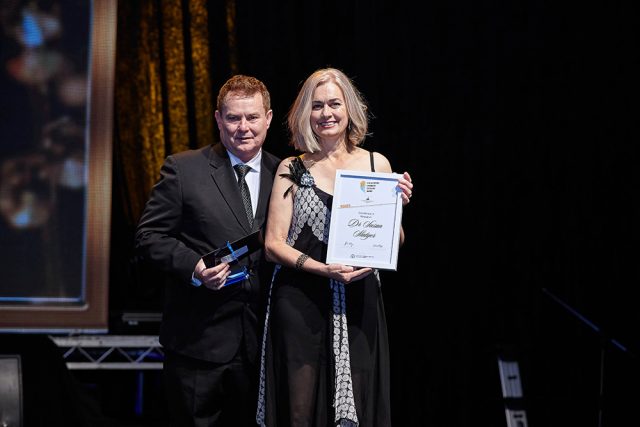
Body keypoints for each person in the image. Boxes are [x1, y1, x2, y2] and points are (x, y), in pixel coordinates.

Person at [255, 68, 413, 427]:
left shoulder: (376, 163)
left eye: (334, 104)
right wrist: (322, 269)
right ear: (304, 113)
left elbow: (395, 242)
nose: (326, 113)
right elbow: (273, 245)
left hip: (359, 301)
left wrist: (395, 209)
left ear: (349, 109)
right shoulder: (291, 168)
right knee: (300, 409)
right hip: (300, 303)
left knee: (360, 404)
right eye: (317, 105)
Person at [135, 74, 281, 426]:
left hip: (265, 345)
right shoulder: (183, 169)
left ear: (269, 118)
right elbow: (148, 237)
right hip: (198, 345)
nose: (243, 127)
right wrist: (195, 267)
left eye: (252, 117)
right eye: (233, 118)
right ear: (218, 119)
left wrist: (386, 200)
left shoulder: (287, 174)